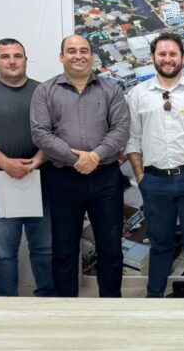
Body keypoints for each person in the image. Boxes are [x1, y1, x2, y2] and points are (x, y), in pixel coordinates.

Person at [30, 34, 130, 297]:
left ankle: (111, 305)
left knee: (111, 248)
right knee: (64, 249)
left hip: (105, 178)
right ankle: (67, 307)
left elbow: (121, 129)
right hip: (63, 178)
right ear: (61, 57)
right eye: (72, 51)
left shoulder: (111, 90)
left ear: (92, 56)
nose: (78, 55)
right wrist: (77, 159)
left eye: (84, 50)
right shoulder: (45, 91)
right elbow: (40, 134)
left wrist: (95, 156)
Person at [126, 32, 184, 299]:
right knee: (160, 244)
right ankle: (154, 300)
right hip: (154, 181)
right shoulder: (138, 94)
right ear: (153, 57)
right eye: (162, 54)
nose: (167, 59)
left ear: (182, 57)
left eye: (173, 54)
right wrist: (141, 176)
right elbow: (132, 140)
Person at [0, 38, 53, 297]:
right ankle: (5, 304)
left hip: (43, 180)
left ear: (26, 59)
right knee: (2, 252)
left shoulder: (45, 92)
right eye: (5, 56)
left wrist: (36, 161)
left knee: (46, 249)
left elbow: (57, 132)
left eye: (18, 55)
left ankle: (49, 301)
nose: (12, 61)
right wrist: (6, 164)